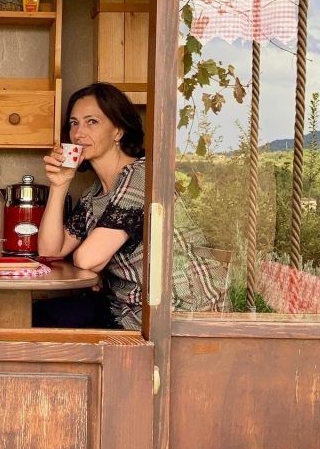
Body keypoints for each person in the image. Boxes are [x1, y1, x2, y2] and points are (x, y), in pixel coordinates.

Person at [33, 82, 226, 330]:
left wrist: (95, 265)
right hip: (131, 307)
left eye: (92, 122)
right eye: (74, 123)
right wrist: (59, 185)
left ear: (118, 131)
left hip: (182, 312)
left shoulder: (140, 175)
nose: (79, 133)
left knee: (49, 322)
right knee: (38, 317)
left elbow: (88, 258)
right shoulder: (94, 194)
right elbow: (51, 252)